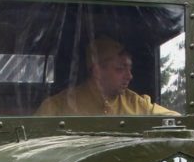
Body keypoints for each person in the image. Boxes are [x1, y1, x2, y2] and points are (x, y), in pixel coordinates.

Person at [36, 37, 175, 116]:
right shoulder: (56, 107)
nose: (130, 76)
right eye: (120, 69)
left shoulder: (136, 103)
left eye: (130, 69)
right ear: (97, 71)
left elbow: (174, 120)